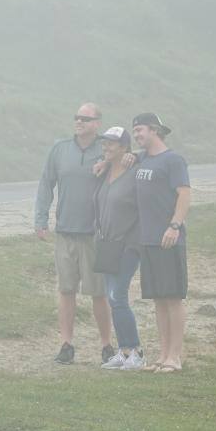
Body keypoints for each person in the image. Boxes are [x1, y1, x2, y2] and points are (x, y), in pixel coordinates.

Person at [35, 103, 114, 365]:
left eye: (85, 118)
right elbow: (46, 183)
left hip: (94, 233)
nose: (79, 122)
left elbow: (130, 158)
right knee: (66, 289)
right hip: (66, 232)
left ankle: (106, 346)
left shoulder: (107, 148)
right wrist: (41, 218)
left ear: (97, 123)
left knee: (98, 293)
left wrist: (121, 159)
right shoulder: (60, 149)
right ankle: (66, 344)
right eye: (76, 118)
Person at [131, 113, 190, 374]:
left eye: (140, 130)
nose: (137, 135)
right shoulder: (142, 158)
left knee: (173, 298)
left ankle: (175, 357)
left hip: (169, 239)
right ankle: (162, 354)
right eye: (134, 131)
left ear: (155, 130)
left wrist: (174, 226)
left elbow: (184, 194)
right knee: (157, 299)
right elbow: (126, 157)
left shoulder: (173, 160)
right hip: (147, 239)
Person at [93, 127, 145, 370]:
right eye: (104, 142)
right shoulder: (104, 170)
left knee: (117, 296)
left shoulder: (135, 170)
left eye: (112, 143)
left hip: (128, 245)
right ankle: (124, 353)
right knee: (113, 299)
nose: (106, 147)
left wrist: (138, 157)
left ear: (125, 147)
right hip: (106, 244)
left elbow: (153, 160)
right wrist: (103, 162)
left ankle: (136, 351)